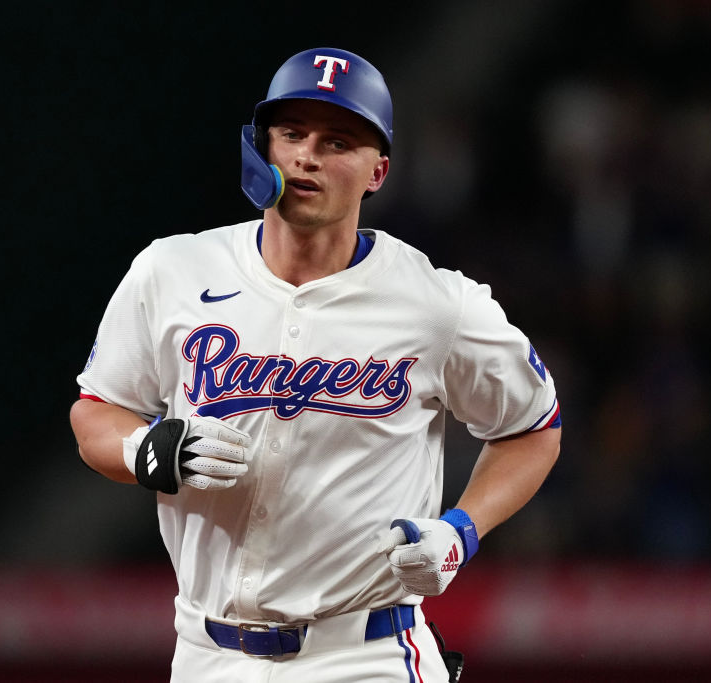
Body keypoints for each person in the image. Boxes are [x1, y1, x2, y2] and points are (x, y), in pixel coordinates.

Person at [70, 47, 561, 683]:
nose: (307, 155)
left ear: (378, 171)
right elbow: (95, 411)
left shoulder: (437, 304)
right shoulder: (172, 272)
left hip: (366, 654)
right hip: (206, 653)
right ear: (262, 145)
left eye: (337, 142)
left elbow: (534, 427)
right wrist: (144, 447)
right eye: (292, 133)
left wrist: (461, 530)